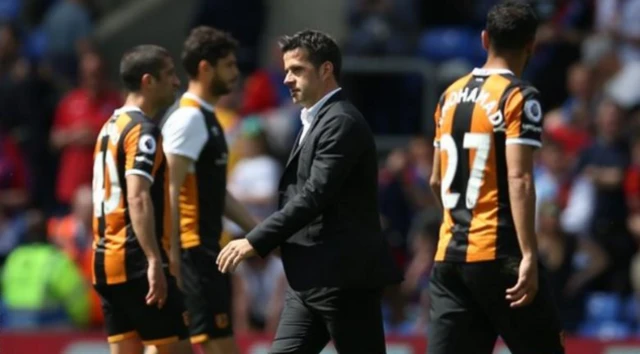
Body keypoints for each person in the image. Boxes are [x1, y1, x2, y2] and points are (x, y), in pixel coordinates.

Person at [217, 29, 402, 354]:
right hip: (309, 279)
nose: (287, 79)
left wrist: (256, 239)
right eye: (286, 70)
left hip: (344, 280)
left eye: (297, 69)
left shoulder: (342, 121)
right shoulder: (314, 120)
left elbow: (314, 196)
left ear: (326, 69)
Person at [427, 1, 565, 354]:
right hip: (499, 254)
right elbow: (519, 178)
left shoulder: (449, 95)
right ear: (532, 45)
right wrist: (530, 256)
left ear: (485, 38)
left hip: (450, 259)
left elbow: (435, 180)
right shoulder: (519, 96)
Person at [158, 26, 258, 354]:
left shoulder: (208, 118)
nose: (236, 72)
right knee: (218, 345)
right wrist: (170, 258)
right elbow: (167, 189)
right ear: (205, 67)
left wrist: (262, 234)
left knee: (175, 345)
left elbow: (218, 194)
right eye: (228, 65)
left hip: (203, 250)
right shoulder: (189, 119)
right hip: (191, 252)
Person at [90, 44, 192, 354]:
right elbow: (137, 196)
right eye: (170, 75)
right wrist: (152, 261)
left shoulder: (110, 127)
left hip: (106, 263)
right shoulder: (143, 130)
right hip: (136, 262)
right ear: (148, 81)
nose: (177, 82)